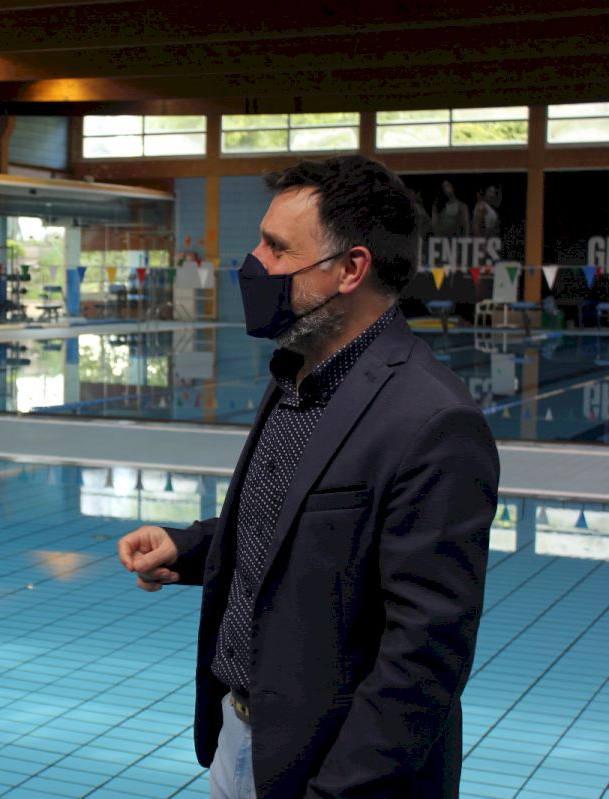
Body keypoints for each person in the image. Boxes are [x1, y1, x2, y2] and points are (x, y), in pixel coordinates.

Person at [118, 155, 499, 798]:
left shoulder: (433, 421)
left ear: (351, 269)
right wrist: (187, 548)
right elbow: (292, 528)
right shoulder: (297, 373)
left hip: (333, 772)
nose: (253, 263)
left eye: (276, 248)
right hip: (241, 739)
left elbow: (423, 659)